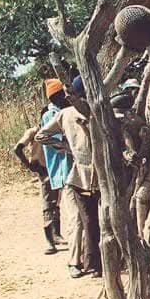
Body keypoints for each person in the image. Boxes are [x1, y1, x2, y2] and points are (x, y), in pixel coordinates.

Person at [36, 76, 102, 278]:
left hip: (79, 175)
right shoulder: (69, 114)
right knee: (79, 220)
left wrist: (66, 147)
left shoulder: (72, 113)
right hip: (75, 175)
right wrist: (66, 148)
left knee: (89, 221)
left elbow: (42, 136)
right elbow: (41, 136)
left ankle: (89, 262)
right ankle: (75, 262)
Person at [14, 106, 64, 254]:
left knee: (56, 201)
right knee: (48, 203)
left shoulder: (54, 133)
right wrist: (29, 165)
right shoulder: (34, 132)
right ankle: (49, 241)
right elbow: (17, 148)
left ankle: (56, 234)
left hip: (54, 168)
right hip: (43, 170)